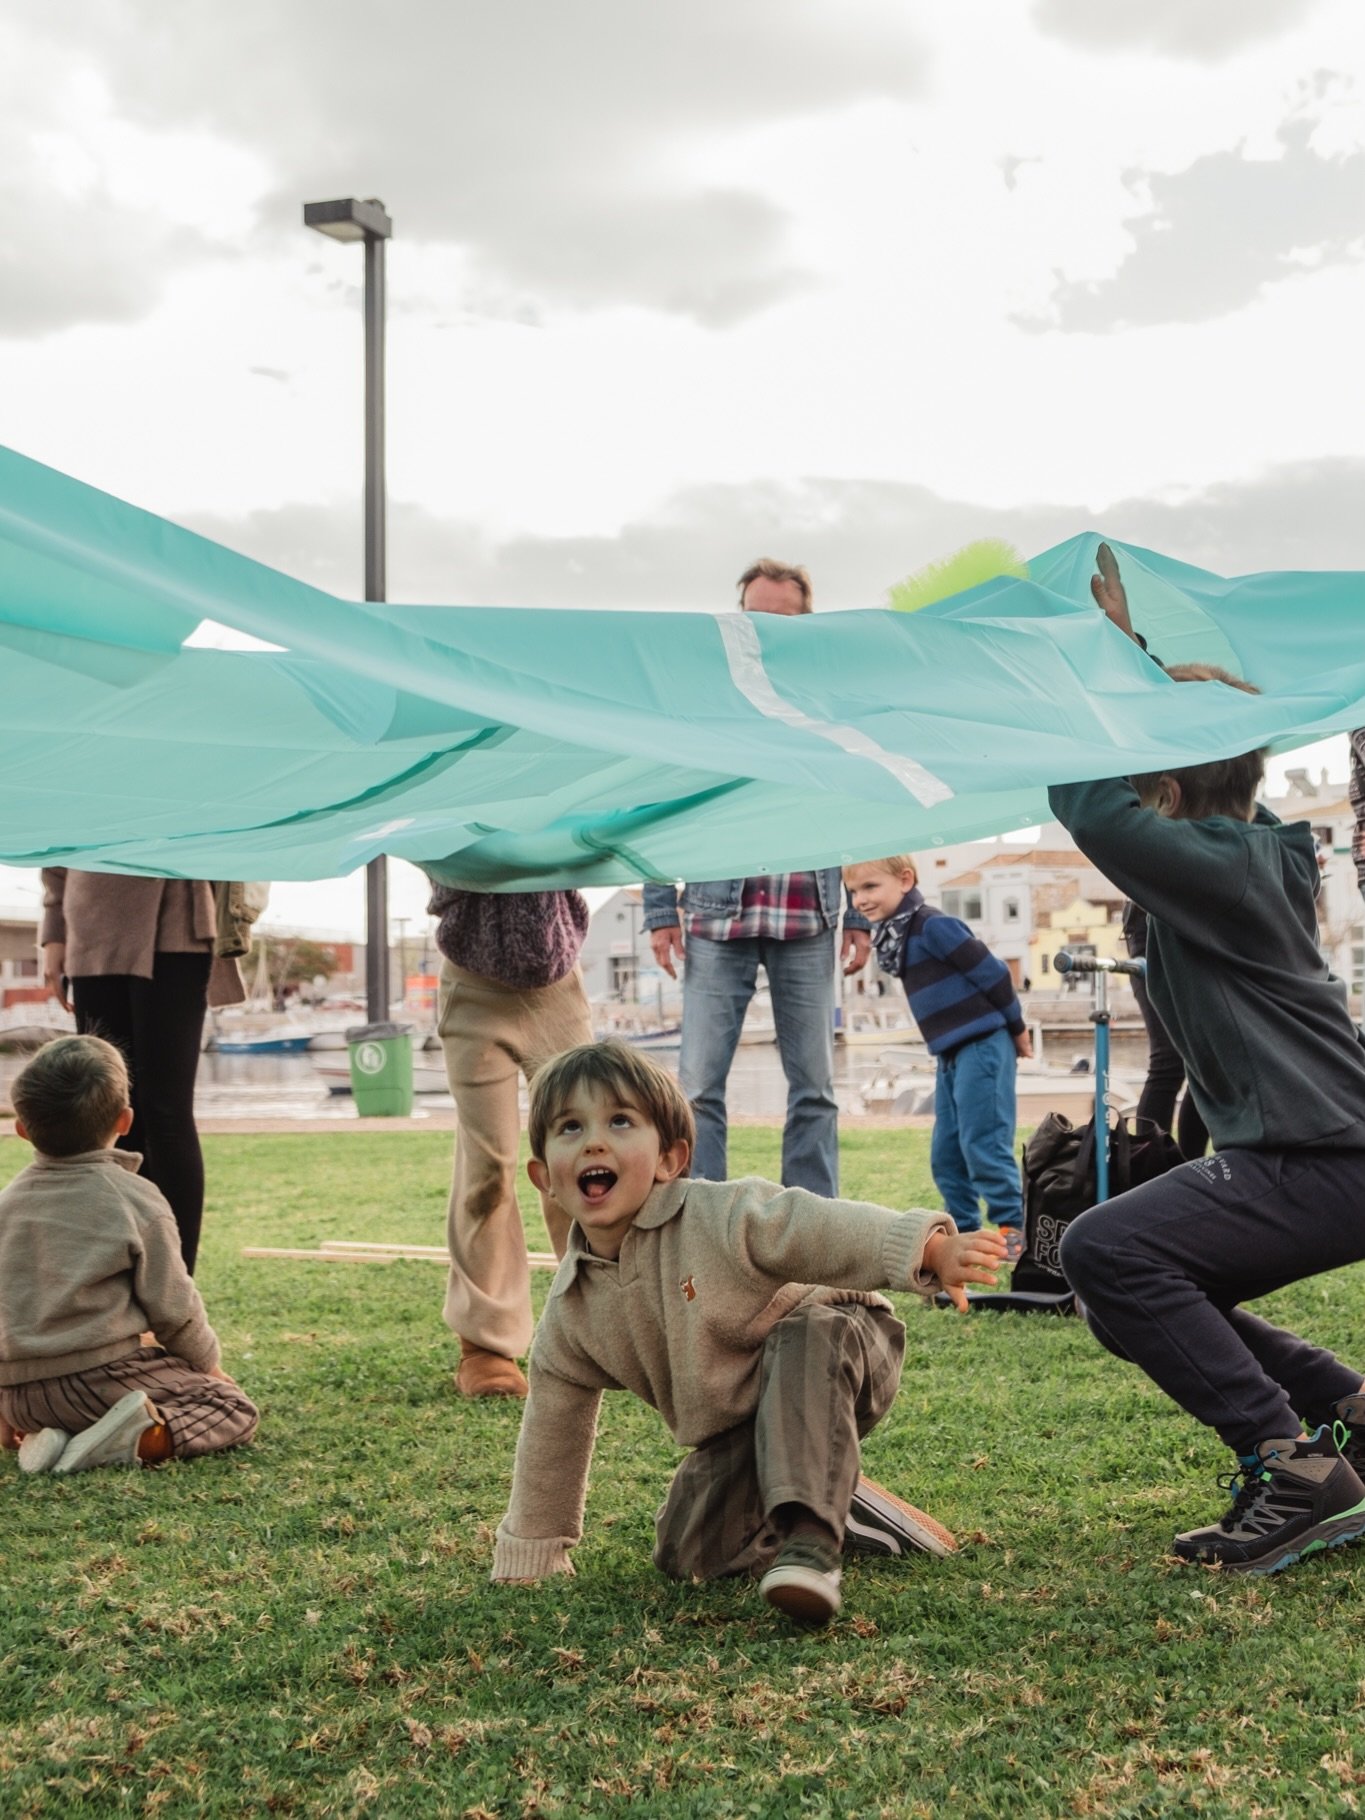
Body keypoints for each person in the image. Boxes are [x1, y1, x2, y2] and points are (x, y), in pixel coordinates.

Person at [1049, 544, 1365, 1574]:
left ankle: (1294, 1467)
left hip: (1320, 1158)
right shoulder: (1249, 854)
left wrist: (1099, 663)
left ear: (1169, 798)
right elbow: (1182, 781)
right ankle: (1347, 1409)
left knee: (1104, 1249)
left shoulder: (1228, 867)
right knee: (1128, 1290)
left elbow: (1093, 807)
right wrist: (1144, 671)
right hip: (1320, 1156)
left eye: (1152, 794)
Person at [490, 1039, 1005, 1627]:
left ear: (669, 1158)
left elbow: (816, 1227)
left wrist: (928, 1248)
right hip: (746, 1427)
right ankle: (842, 1496)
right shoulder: (573, 1311)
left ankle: (813, 1542)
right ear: (543, 1178)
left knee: (804, 1335)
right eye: (570, 1128)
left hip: (844, 1345)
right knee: (687, 1553)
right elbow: (552, 1432)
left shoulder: (718, 1215)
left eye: (620, 1121)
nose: (594, 1141)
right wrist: (534, 1550)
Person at [642, 559, 870, 1198]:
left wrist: (854, 912)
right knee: (696, 1091)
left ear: (806, 624)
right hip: (718, 917)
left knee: (816, 1091)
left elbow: (856, 810)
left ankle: (813, 1224)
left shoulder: (829, 705)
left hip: (809, 919)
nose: (765, 629)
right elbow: (667, 798)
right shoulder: (707, 701)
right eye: (753, 617)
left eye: (781, 619)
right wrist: (660, 909)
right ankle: (702, 1219)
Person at [0, 1035, 258, 1475]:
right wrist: (209, 1366)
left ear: (22, 1128)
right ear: (125, 1120)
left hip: (21, 1397)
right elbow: (175, 1308)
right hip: (96, 1381)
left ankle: (53, 1437)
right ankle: (132, 1440)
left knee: (145, 1355)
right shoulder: (134, 1199)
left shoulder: (6, 1204)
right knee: (232, 1408)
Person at [427, 884, 594, 1398]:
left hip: (559, 988)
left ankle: (597, 1325)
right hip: (472, 988)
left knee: (581, 1163)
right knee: (487, 1171)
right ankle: (485, 1346)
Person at [40, 870, 248, 1273]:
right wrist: (54, 932)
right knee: (109, 1116)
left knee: (165, 1111)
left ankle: (175, 1288)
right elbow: (59, 841)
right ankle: (119, 1277)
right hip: (91, 922)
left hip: (177, 922)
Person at [843, 855, 1030, 1256]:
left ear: (905, 880)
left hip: (983, 1043)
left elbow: (994, 973)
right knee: (946, 1154)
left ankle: (1015, 1232)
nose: (860, 900)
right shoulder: (896, 936)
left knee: (984, 1144)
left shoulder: (933, 925)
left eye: (870, 887)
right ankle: (963, 1234)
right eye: (853, 891)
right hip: (949, 1053)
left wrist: (1017, 1029)